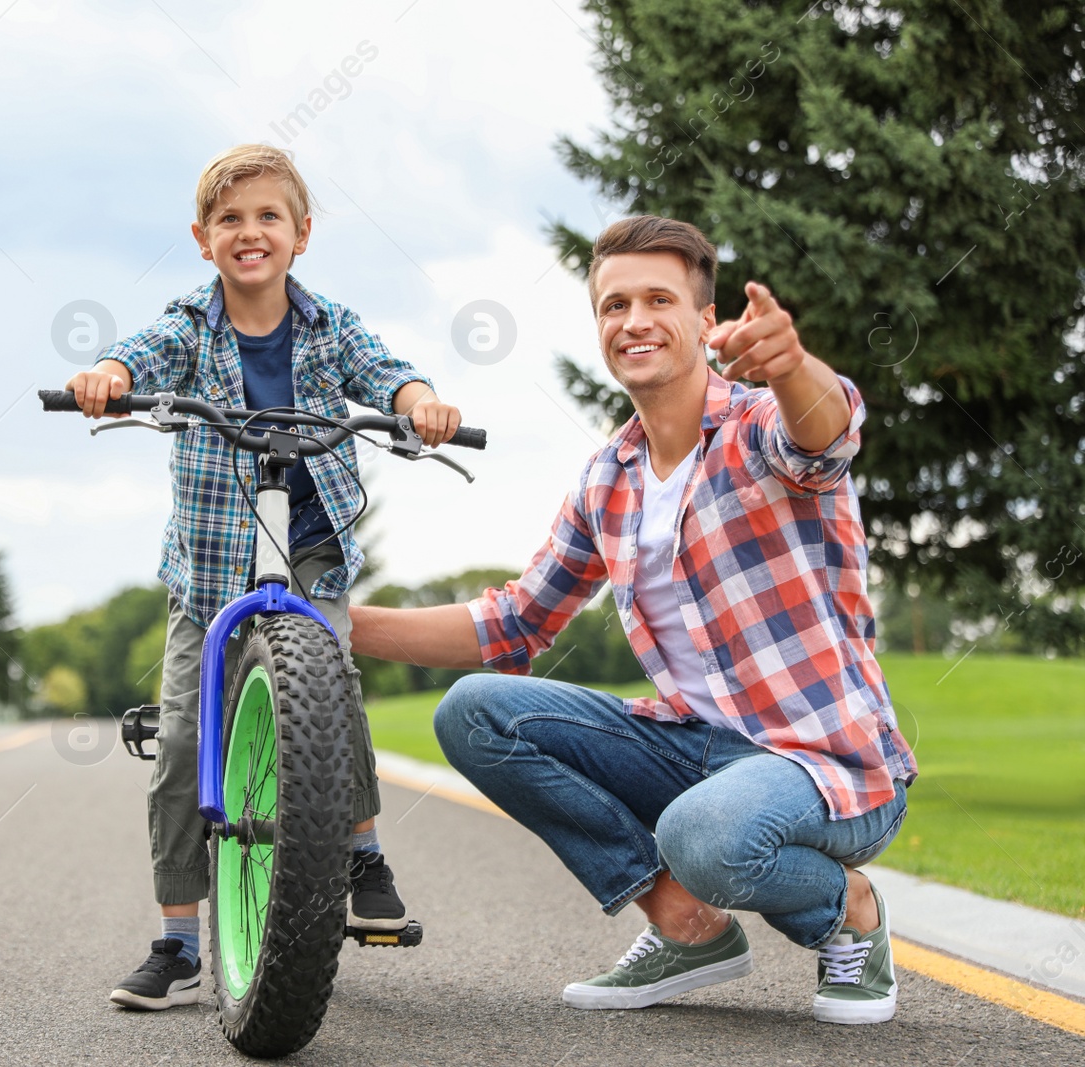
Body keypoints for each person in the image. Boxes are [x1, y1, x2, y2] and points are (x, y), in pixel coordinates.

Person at [349, 215, 916, 1025]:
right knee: (475, 712)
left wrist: (792, 366)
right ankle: (687, 925)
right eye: (615, 306)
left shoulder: (758, 423)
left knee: (704, 835)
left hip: (830, 762)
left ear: (702, 319)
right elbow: (513, 623)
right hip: (697, 747)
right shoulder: (606, 479)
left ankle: (848, 910)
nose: (634, 320)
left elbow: (828, 433)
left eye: (658, 299)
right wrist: (332, 619)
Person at [66, 144, 462, 1011]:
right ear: (205, 240)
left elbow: (388, 371)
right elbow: (144, 352)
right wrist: (111, 376)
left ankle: (359, 846)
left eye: (268, 217)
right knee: (179, 739)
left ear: (302, 234)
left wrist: (418, 400)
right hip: (209, 570)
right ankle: (177, 939)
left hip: (310, 539)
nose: (251, 233)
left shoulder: (329, 325)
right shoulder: (191, 324)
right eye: (231, 220)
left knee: (333, 683)